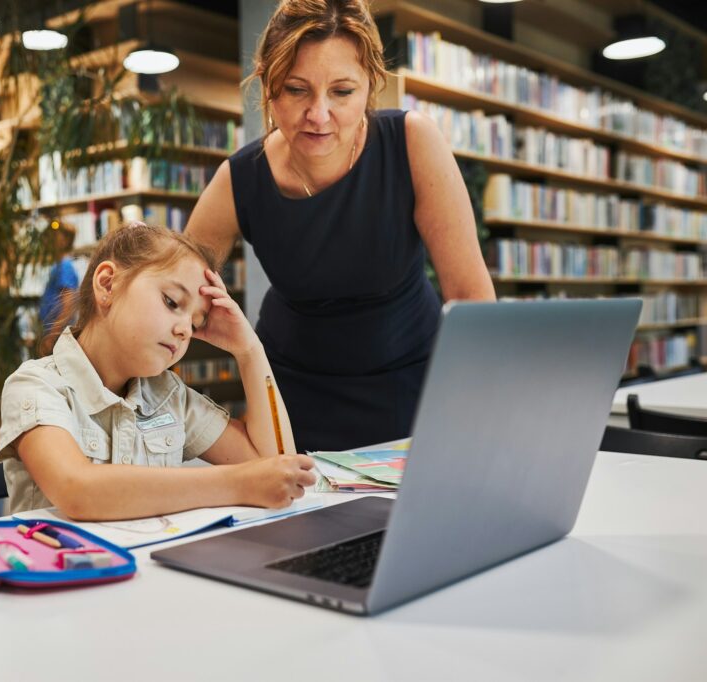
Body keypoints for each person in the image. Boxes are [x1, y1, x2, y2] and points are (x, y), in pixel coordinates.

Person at [184, 0, 495, 452]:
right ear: (268, 87)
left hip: (416, 388)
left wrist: (482, 412)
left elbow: (471, 298)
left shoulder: (412, 143)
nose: (319, 114)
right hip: (291, 401)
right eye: (296, 89)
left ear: (371, 86)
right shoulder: (240, 177)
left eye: (342, 91)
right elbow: (172, 290)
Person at [0, 222, 316, 520]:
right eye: (172, 302)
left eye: (196, 323)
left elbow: (279, 470)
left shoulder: (168, 395)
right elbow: (77, 490)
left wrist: (249, 350)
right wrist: (236, 483)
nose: (185, 331)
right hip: (67, 578)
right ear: (107, 283)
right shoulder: (36, 386)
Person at [38, 221, 79, 342]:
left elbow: (68, 305)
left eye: (53, 236)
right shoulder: (58, 265)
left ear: (65, 240)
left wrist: (51, 337)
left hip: (58, 337)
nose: (47, 240)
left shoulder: (65, 266)